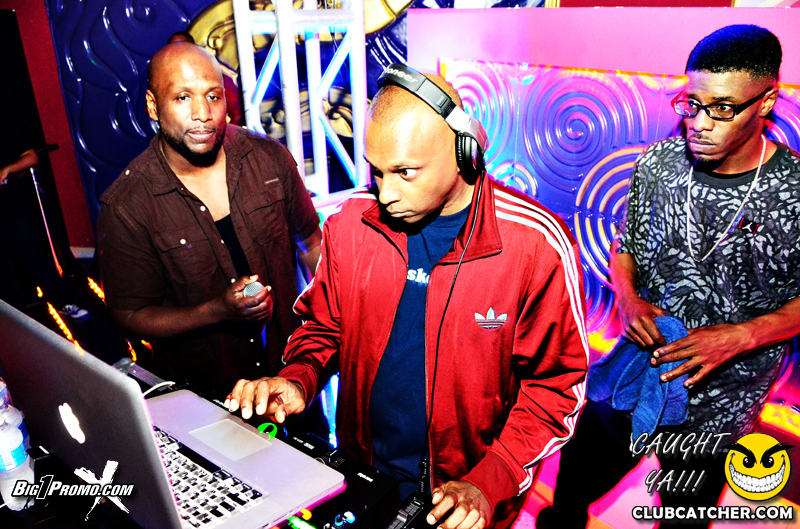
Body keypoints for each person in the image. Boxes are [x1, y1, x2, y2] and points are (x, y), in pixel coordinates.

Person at [226, 64, 588, 529]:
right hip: (363, 477)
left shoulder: (534, 246)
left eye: (405, 172)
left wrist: (489, 480)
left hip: (465, 497)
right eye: (377, 172)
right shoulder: (351, 224)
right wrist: (298, 379)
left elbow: (555, 386)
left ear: (465, 153)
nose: (386, 194)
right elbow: (324, 328)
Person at [537, 25, 800, 529]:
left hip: (720, 402)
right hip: (634, 373)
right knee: (569, 496)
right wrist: (628, 300)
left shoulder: (792, 191)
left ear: (766, 102)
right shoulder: (658, 164)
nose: (699, 123)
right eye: (692, 103)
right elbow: (626, 247)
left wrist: (740, 337)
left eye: (722, 108)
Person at [96, 43, 322, 397]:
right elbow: (130, 315)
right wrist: (216, 311)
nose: (203, 113)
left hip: (291, 376)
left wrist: (328, 330)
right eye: (183, 97)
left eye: (213, 96)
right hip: (208, 397)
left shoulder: (269, 161)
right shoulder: (128, 205)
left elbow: (310, 243)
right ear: (153, 106)